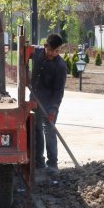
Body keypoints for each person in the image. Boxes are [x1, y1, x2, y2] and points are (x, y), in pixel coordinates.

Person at [30, 34, 67, 175]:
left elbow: (59, 92)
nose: (54, 54)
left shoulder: (60, 66)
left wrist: (53, 110)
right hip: (35, 98)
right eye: (52, 50)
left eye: (57, 51)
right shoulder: (37, 52)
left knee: (49, 131)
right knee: (36, 129)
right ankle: (39, 162)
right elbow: (26, 52)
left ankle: (52, 164)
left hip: (50, 103)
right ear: (45, 46)